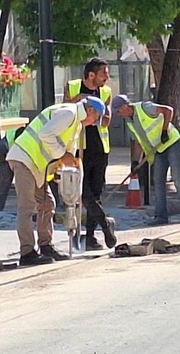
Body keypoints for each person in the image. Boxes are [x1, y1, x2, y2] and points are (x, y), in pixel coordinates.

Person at [6, 97, 104, 266]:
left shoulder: (76, 124)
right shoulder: (69, 113)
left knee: (47, 204)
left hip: (38, 166)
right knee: (28, 207)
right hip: (25, 159)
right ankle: (27, 252)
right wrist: (63, 155)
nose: (94, 123)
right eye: (96, 118)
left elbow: (65, 153)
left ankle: (45, 246)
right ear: (91, 111)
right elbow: (46, 134)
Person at [112, 94, 180, 225]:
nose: (118, 114)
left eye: (118, 110)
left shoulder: (145, 107)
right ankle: (161, 216)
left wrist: (164, 131)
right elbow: (138, 142)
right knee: (158, 182)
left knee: (177, 178)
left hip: (171, 142)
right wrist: (135, 162)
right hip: (157, 150)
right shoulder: (129, 122)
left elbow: (168, 110)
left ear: (125, 106)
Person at [64, 58, 116, 251]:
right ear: (91, 74)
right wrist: (80, 101)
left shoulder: (106, 92)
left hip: (100, 149)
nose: (107, 78)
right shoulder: (73, 86)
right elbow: (66, 112)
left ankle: (91, 236)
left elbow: (106, 121)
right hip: (79, 149)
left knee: (96, 192)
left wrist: (99, 108)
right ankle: (105, 224)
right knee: (84, 194)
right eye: (104, 74)